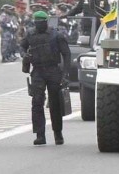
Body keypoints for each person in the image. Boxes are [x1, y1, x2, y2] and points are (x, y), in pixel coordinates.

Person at [21, 11, 71, 145]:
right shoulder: (30, 34)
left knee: (55, 103)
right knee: (37, 102)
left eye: (40, 22)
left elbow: (66, 54)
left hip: (53, 70)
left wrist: (65, 74)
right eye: (36, 22)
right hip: (37, 71)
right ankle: (40, 135)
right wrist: (25, 55)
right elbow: (22, 46)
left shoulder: (56, 35)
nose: (38, 25)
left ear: (46, 22)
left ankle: (57, 133)